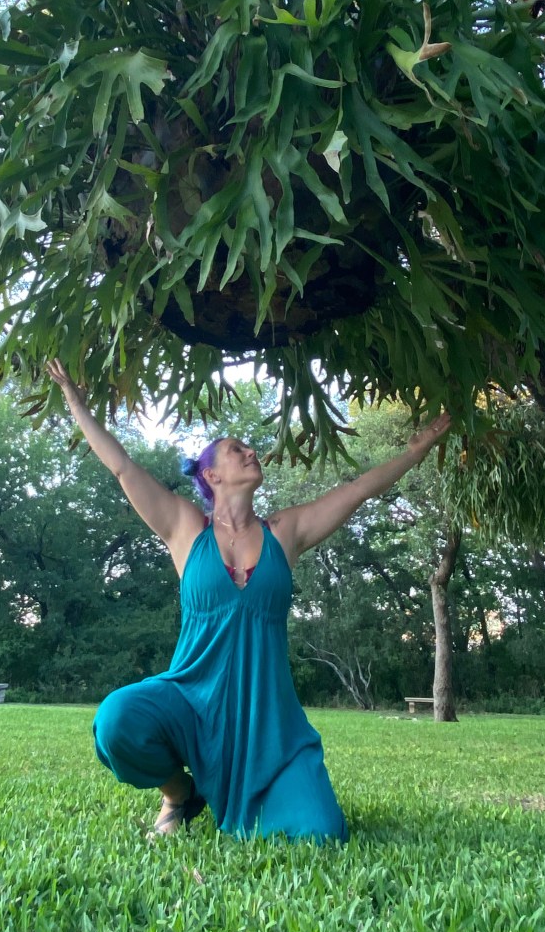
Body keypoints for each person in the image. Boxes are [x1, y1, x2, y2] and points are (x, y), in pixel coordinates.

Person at [47, 359, 451, 842]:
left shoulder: (285, 533)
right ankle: (179, 792)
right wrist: (75, 401)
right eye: (237, 450)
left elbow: (358, 491)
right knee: (117, 720)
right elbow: (121, 466)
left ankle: (267, 789)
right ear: (211, 474)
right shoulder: (185, 529)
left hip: (267, 723)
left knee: (322, 833)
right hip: (191, 702)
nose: (251, 452)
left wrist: (416, 450)